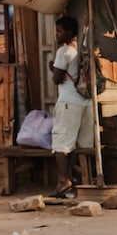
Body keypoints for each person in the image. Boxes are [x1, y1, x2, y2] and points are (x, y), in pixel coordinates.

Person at [48, 16, 93, 198]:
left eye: (59, 31)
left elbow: (57, 78)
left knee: (61, 143)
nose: (56, 34)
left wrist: (52, 68)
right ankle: (85, 181)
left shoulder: (64, 51)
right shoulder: (82, 50)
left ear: (69, 33)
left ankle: (63, 181)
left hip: (68, 102)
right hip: (85, 102)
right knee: (83, 144)